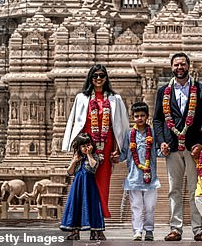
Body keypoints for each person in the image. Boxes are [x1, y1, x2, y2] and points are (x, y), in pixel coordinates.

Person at [62, 63, 130, 237]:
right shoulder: (82, 98)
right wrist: (75, 149)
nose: (98, 79)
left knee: (101, 187)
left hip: (105, 150)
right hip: (86, 148)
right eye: (95, 76)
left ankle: (96, 228)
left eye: (101, 76)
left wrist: (118, 150)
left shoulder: (115, 99)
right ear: (90, 78)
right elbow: (75, 123)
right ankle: (75, 227)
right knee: (81, 185)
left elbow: (120, 127)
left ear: (106, 78)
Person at [153, 52, 202, 241]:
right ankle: (175, 228)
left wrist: (201, 144)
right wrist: (161, 141)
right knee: (174, 189)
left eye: (183, 64)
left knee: (196, 189)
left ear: (189, 66)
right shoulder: (163, 91)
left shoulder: (201, 90)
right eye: (176, 65)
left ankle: (198, 228)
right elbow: (157, 120)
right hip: (171, 147)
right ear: (171, 67)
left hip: (193, 146)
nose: (180, 68)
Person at [119, 102, 162, 241]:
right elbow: (124, 153)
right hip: (134, 177)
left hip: (151, 177)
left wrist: (165, 151)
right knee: (136, 206)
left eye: (142, 115)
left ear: (147, 117)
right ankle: (137, 231)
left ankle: (149, 230)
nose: (139, 118)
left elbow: (157, 151)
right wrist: (115, 157)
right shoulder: (129, 134)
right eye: (136, 116)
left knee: (150, 207)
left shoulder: (153, 133)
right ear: (133, 117)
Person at [60, 133, 105, 240]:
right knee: (75, 206)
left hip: (89, 186)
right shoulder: (77, 158)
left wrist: (89, 154)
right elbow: (70, 172)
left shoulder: (94, 156)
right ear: (79, 147)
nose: (86, 148)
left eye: (88, 145)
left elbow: (93, 166)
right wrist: (74, 161)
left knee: (92, 206)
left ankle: (94, 231)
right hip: (77, 186)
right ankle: (75, 231)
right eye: (83, 146)